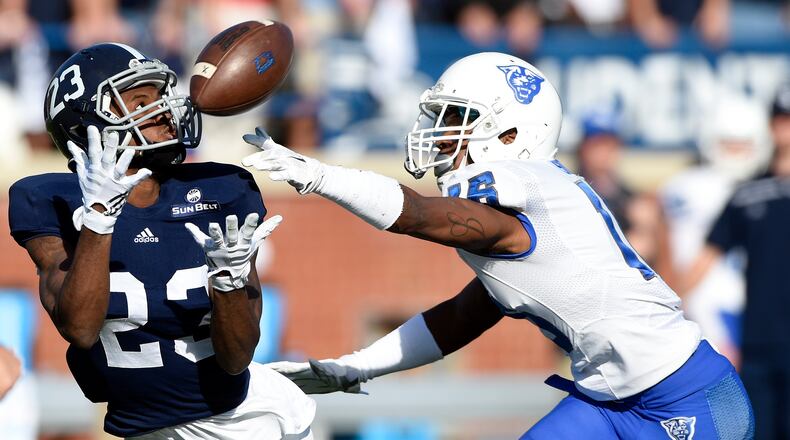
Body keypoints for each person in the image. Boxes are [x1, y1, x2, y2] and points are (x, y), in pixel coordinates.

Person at [245, 52, 754, 439]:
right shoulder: (525, 212)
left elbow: (417, 216)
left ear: (510, 136)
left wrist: (321, 177)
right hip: (605, 400)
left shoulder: (527, 192)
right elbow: (460, 316)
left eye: (456, 119)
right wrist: (357, 366)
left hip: (687, 398)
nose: (440, 134)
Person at [8, 42, 314, 439]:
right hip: (143, 429)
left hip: (246, 422)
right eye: (140, 102)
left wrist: (229, 283)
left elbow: (237, 357)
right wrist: (99, 221)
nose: (164, 111)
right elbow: (80, 328)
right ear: (87, 126)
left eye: (161, 96)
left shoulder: (221, 189)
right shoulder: (48, 199)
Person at [685, 83, 790, 440]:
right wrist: (667, 305)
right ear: (771, 126)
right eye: (782, 119)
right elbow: (706, 257)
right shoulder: (748, 194)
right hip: (759, 342)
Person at [662, 93, 772, 367]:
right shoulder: (689, 187)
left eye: (742, 146)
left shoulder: (770, 187)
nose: (736, 153)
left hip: (757, 302)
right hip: (705, 302)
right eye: (729, 145)